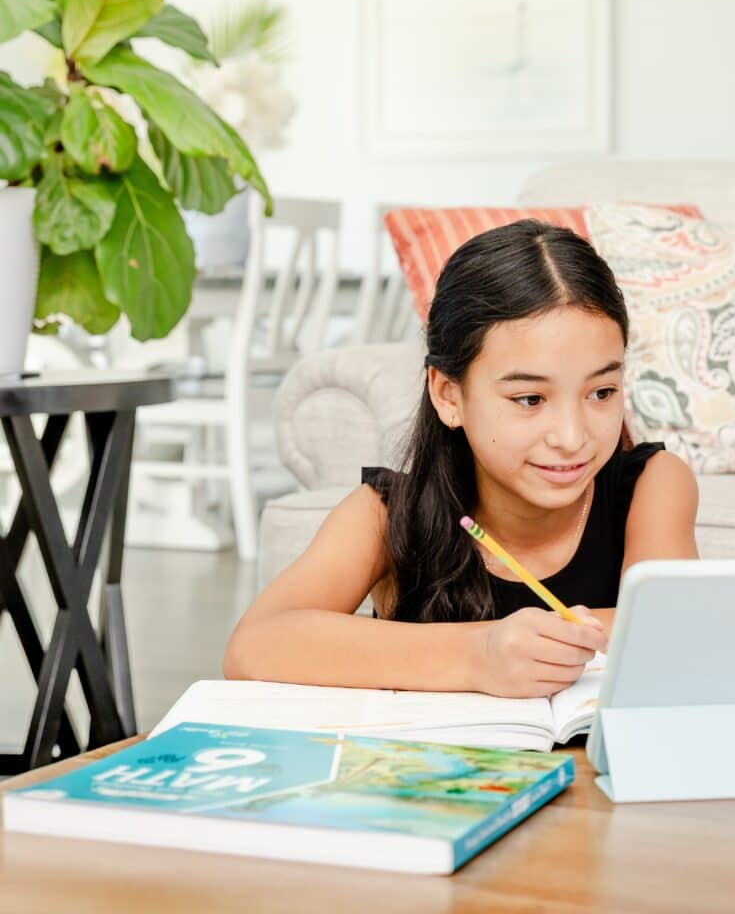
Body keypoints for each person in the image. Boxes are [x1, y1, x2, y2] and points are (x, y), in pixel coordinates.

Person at [224, 220, 699, 698]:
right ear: (448, 395)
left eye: (601, 391)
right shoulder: (386, 514)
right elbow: (253, 647)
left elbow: (679, 628)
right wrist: (478, 655)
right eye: (530, 399)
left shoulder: (653, 485)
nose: (573, 437)